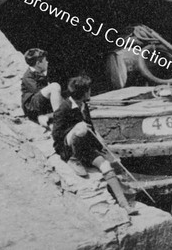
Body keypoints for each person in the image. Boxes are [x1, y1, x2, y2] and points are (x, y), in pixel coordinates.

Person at [52, 75, 138, 215]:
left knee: (106, 165)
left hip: (85, 147)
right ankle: (73, 159)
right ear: (84, 92)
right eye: (88, 90)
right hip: (67, 146)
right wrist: (75, 128)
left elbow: (91, 128)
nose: (90, 92)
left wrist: (102, 144)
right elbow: (56, 136)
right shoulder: (64, 108)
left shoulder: (84, 105)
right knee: (81, 128)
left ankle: (124, 205)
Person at [21, 48, 63, 127]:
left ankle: (50, 117)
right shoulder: (28, 77)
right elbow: (39, 92)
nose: (47, 62)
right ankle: (58, 118)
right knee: (54, 86)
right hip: (32, 106)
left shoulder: (40, 72)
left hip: (39, 103)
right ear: (38, 63)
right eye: (45, 60)